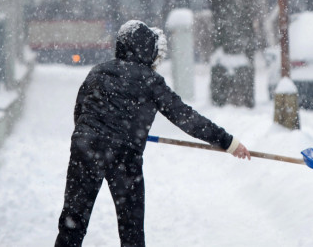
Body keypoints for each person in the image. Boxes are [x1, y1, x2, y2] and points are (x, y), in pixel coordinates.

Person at [55, 20, 251, 247]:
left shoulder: (98, 72)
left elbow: (80, 113)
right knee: (131, 228)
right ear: (146, 50)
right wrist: (228, 142)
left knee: (73, 222)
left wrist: (100, 133)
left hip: (86, 148)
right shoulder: (150, 81)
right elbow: (187, 118)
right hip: (123, 157)